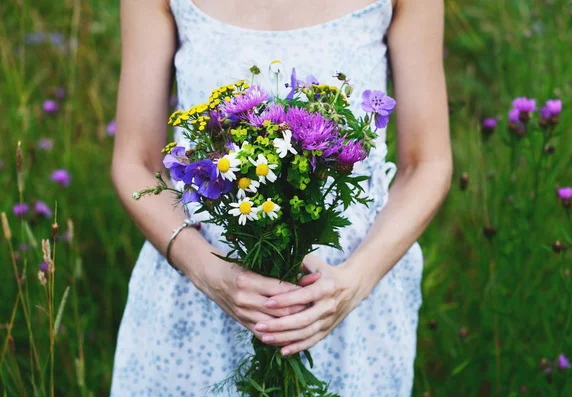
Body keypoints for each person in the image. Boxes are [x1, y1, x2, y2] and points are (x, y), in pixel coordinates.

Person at [110, 0, 451, 395]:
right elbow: (136, 161)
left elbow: (426, 163)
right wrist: (208, 273)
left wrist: (353, 284)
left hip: (349, 306)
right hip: (196, 298)